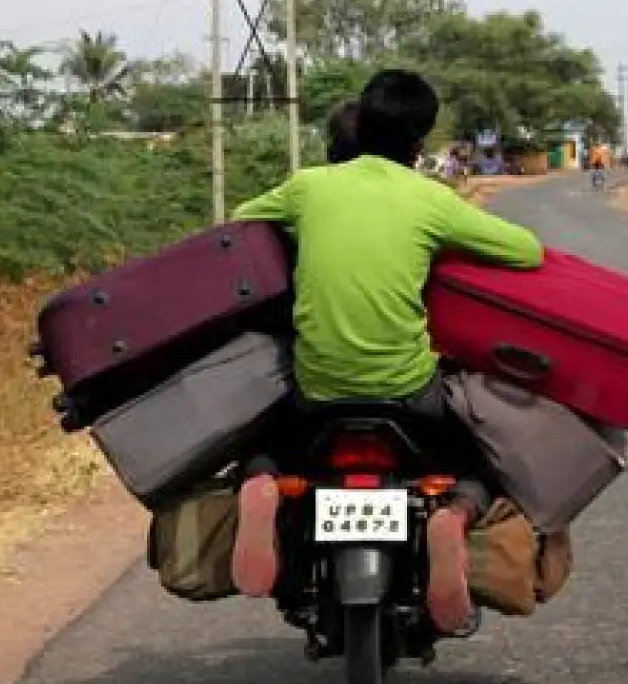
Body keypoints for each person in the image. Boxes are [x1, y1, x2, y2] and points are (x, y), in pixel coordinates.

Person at [229, 68, 544, 633]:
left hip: (319, 389)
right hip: (407, 391)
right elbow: (526, 251)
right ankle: (454, 514)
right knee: (480, 447)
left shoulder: (309, 187)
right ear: (419, 144)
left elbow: (238, 225)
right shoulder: (431, 199)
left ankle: (261, 484)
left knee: (265, 436)